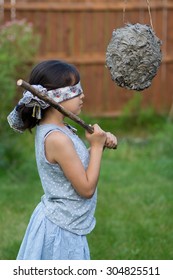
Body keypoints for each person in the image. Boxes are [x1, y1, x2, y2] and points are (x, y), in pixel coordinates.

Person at [7, 60, 117, 260]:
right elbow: (86, 189)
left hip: (64, 223)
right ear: (54, 97)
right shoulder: (57, 139)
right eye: (76, 90)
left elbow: (78, 165)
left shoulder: (62, 129)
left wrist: (98, 143)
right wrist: (97, 147)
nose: (83, 95)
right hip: (60, 231)